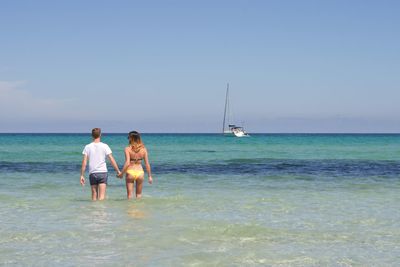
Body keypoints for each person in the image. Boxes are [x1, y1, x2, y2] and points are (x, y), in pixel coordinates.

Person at [80, 128, 121, 201]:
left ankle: (94, 211)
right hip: (102, 173)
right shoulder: (105, 146)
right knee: (102, 197)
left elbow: (84, 162)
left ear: (92, 136)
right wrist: (118, 171)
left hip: (92, 173)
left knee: (94, 196)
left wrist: (82, 175)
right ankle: (101, 211)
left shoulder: (87, 147)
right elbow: (111, 159)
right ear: (100, 135)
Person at [118, 131, 153, 199]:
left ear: (131, 138)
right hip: (140, 173)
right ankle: (139, 209)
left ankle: (130, 209)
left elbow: (127, 162)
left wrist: (122, 173)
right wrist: (149, 176)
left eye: (128, 137)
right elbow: (147, 164)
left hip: (130, 172)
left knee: (129, 196)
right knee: (139, 195)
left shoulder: (127, 149)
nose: (128, 139)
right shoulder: (143, 149)